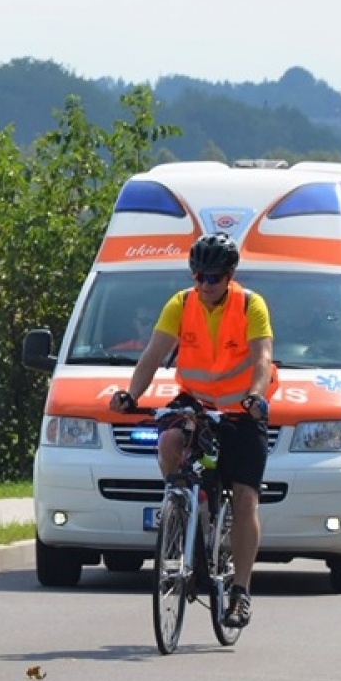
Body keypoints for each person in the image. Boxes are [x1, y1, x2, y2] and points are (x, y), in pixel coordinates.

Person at [109, 231, 273, 630]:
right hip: (196, 402)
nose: (203, 284)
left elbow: (263, 358)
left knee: (246, 499)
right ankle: (182, 509)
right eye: (197, 275)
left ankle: (240, 591)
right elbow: (152, 354)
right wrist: (131, 394)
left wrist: (254, 396)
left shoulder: (251, 304)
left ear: (229, 274)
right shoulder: (181, 304)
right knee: (167, 441)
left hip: (241, 410)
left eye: (212, 277)